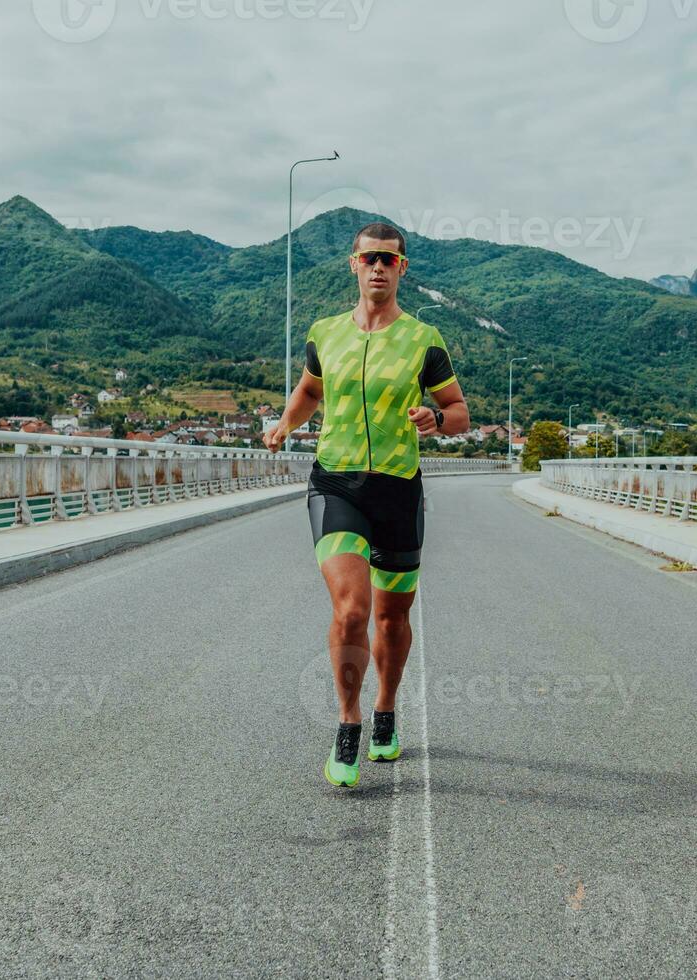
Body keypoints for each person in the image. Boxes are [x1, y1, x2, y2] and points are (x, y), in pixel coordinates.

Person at [264, 221, 469, 787]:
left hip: (398, 489)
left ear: (402, 269)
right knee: (352, 610)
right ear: (353, 266)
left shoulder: (425, 339)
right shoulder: (325, 333)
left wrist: (436, 419)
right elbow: (310, 390)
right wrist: (286, 421)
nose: (378, 267)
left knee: (391, 616)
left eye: (389, 259)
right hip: (336, 485)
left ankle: (386, 709)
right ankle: (348, 723)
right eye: (369, 258)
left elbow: (459, 411)